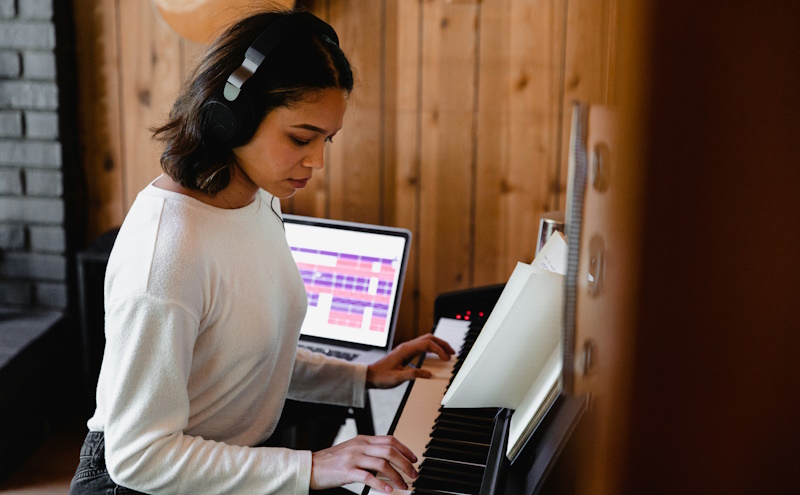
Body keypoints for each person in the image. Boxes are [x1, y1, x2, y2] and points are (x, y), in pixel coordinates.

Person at [69, 9, 454, 495]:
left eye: (326, 140)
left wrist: (361, 377)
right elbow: (138, 455)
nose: (316, 161)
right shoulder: (167, 254)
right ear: (231, 118)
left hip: (216, 466)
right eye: (300, 138)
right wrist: (311, 467)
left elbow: (247, 355)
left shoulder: (257, 199)